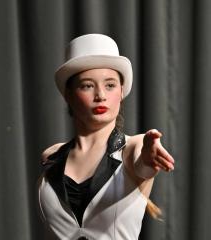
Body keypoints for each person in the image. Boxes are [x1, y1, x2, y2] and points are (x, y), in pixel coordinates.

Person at [38, 33, 175, 240]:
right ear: (68, 94)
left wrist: (148, 158)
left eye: (109, 85)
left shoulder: (132, 147)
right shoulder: (51, 156)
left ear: (121, 91)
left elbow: (141, 164)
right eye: (87, 85)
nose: (100, 95)